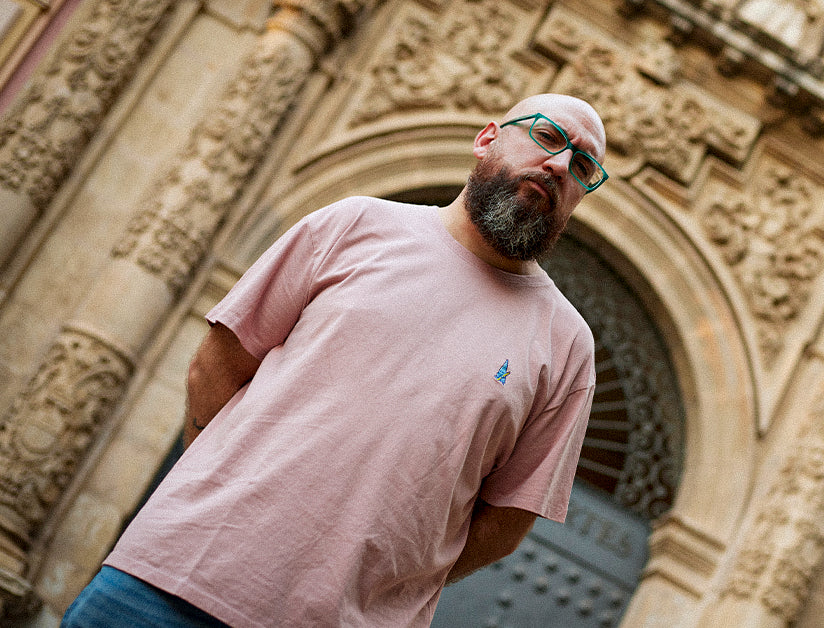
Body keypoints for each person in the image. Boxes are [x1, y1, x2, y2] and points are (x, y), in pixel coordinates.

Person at [62, 93, 607, 627]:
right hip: (167, 583)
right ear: (487, 138)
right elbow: (218, 366)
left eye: (583, 166)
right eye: (547, 136)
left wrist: (382, 583)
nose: (560, 165)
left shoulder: (567, 348)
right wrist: (219, 493)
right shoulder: (353, 225)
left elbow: (505, 522)